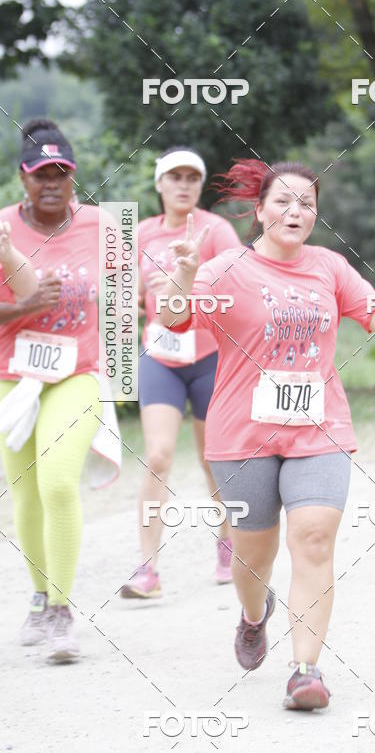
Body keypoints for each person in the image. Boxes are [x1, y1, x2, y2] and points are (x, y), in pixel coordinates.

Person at [158, 159, 375, 710]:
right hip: (243, 434)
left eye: (306, 203)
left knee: (312, 538)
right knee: (253, 554)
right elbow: (171, 318)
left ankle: (306, 670)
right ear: (259, 211)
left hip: (320, 427)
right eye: (282, 201)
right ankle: (253, 616)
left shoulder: (329, 267)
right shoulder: (226, 267)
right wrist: (185, 274)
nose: (295, 211)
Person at [0, 118, 120, 663]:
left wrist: (119, 386)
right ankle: (38, 596)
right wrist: (25, 307)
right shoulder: (2, 228)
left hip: (79, 372)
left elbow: (124, 304)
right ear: (22, 178)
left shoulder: (107, 225)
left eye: (61, 174)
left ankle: (62, 613)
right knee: (23, 495)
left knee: (56, 481)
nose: (51, 182)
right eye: (40, 173)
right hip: (13, 375)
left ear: (74, 179)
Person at [120, 147, 240, 598]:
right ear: (159, 184)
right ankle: (148, 568)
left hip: (211, 358)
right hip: (161, 358)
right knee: (158, 456)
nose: (184, 184)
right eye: (175, 177)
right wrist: (136, 292)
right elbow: (121, 297)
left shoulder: (216, 230)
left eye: (192, 177)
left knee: (215, 461)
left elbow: (238, 285)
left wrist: (189, 285)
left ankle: (228, 543)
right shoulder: (143, 235)